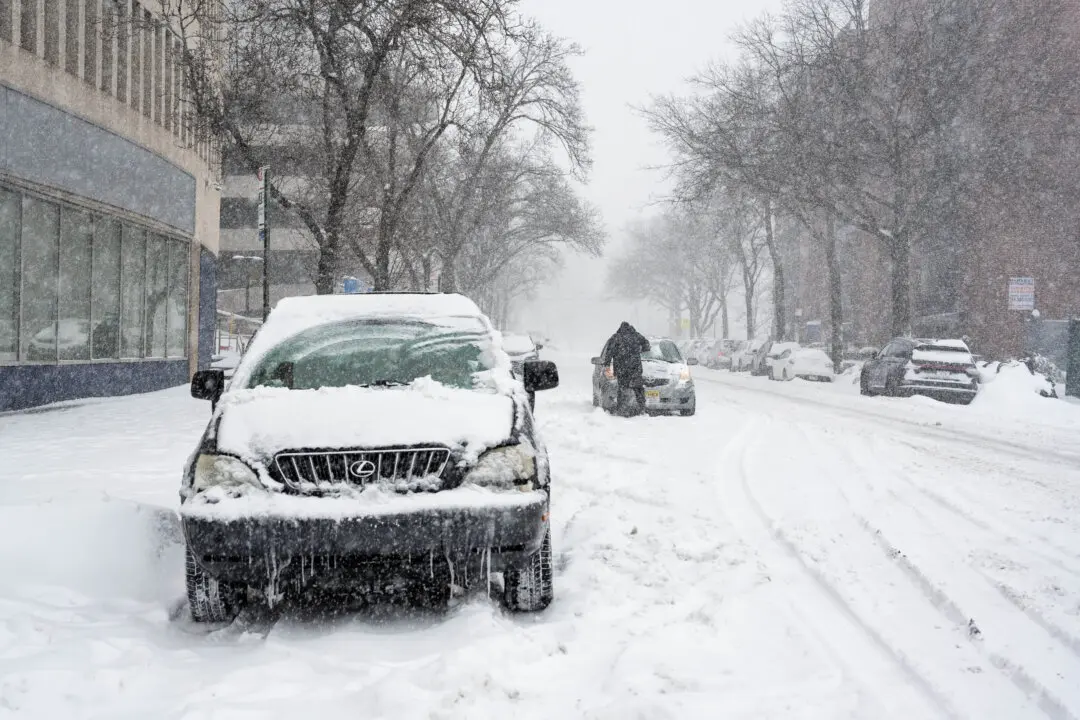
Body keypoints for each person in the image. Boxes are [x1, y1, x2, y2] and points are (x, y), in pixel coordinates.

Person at [602, 322, 651, 416]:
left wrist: (607, 364)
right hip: (635, 368)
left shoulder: (616, 337)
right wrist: (640, 349)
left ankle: (621, 409)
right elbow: (647, 345)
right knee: (638, 388)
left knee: (622, 388)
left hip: (621, 368)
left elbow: (609, 352)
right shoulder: (636, 336)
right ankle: (641, 408)